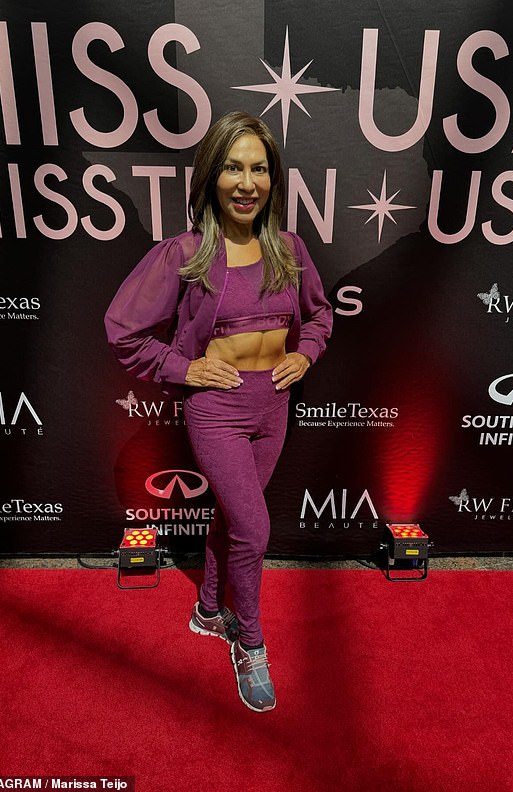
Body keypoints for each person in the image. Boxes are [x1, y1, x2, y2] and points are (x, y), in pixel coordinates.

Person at [105, 111, 332, 712]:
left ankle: (209, 609)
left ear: (273, 179)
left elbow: (319, 315)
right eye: (233, 168)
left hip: (274, 406)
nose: (247, 183)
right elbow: (123, 330)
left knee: (235, 519)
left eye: (259, 169)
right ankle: (250, 642)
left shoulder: (289, 248)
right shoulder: (185, 253)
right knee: (254, 530)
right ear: (211, 177)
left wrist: (305, 354)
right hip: (217, 412)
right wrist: (184, 369)